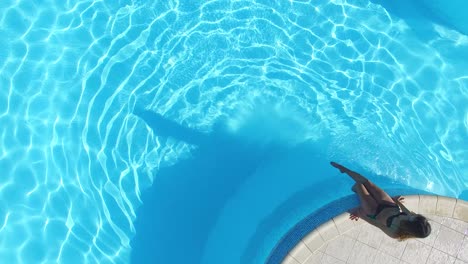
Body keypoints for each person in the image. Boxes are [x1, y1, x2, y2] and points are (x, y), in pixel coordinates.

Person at [330, 162, 431, 240]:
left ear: (411, 227)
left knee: (359, 185)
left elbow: (377, 224)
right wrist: (396, 201)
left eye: (413, 217)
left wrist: (360, 214)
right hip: (390, 206)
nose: (412, 214)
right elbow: (404, 210)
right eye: (415, 216)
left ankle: (356, 189)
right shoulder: (412, 217)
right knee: (368, 183)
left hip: (374, 212)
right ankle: (344, 170)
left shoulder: (395, 233)